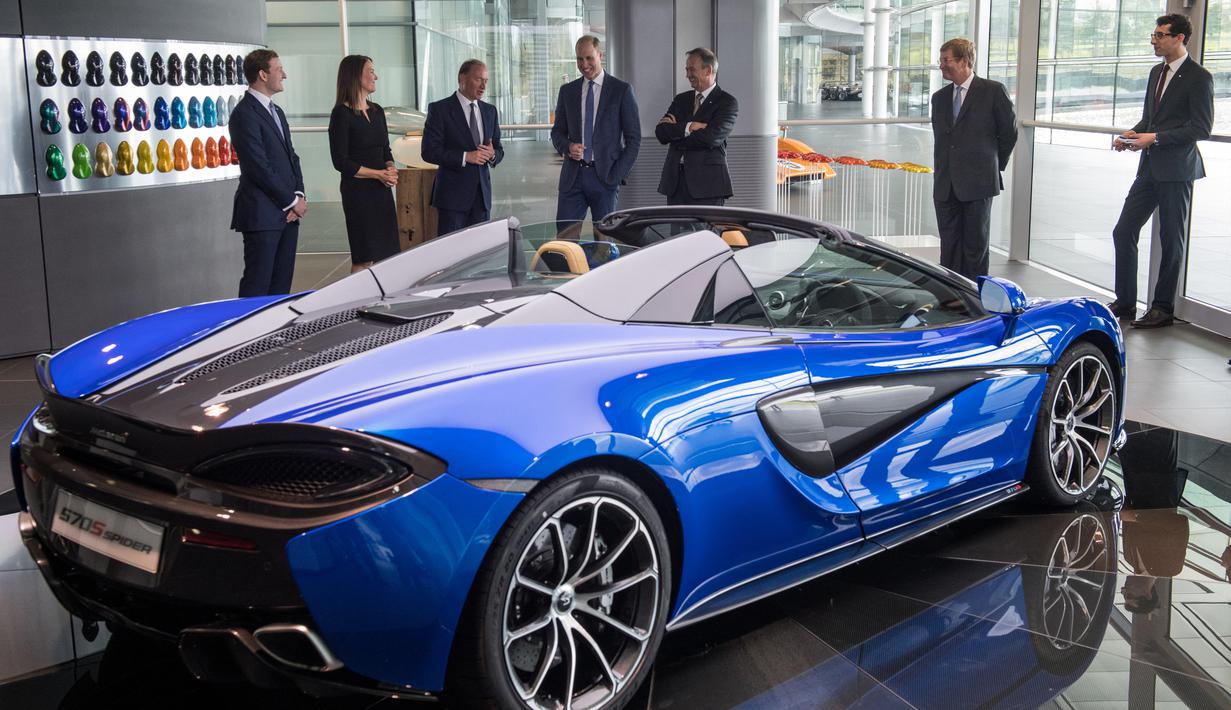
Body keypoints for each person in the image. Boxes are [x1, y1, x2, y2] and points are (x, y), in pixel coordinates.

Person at [1109, 13, 1214, 329]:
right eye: (1153, 35)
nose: (1154, 40)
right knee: (1123, 230)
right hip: (1150, 167)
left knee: (1172, 239)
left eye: (1159, 35)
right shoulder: (1157, 72)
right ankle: (1125, 303)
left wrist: (1154, 138)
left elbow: (1201, 127)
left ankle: (1163, 308)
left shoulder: (1199, 77)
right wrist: (1131, 135)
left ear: (1179, 37)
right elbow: (1150, 121)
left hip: (1177, 169)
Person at [930, 37, 1017, 282]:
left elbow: (1009, 133)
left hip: (979, 182)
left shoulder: (992, 91)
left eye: (946, 60)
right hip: (946, 184)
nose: (942, 66)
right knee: (949, 245)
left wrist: (991, 166)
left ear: (965, 61)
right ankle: (950, 297)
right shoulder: (939, 98)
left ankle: (975, 297)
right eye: (941, 60)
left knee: (975, 246)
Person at [229, 49, 305, 297]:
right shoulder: (244, 114)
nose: (285, 74)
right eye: (279, 69)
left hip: (287, 215)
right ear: (262, 74)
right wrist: (291, 201)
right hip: (262, 215)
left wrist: (298, 194)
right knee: (257, 287)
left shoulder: (277, 112)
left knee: (281, 289)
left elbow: (291, 157)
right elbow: (257, 166)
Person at [551, 35, 641, 225]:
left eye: (589, 58)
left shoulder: (621, 90)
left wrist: (616, 176)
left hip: (605, 178)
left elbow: (634, 140)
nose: (584, 64)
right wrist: (568, 147)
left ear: (600, 55)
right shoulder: (567, 91)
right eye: (579, 59)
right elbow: (557, 132)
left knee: (604, 243)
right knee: (565, 240)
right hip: (572, 178)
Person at [329, 54, 400, 273]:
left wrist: (390, 168)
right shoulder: (341, 114)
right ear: (355, 76)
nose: (375, 76)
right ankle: (355, 305)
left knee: (386, 255)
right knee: (364, 257)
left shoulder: (377, 110)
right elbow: (341, 162)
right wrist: (378, 174)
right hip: (358, 194)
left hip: (381, 191)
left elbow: (385, 148)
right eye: (370, 71)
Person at [421, 59, 504, 235]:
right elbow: (429, 151)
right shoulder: (439, 109)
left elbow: (498, 149)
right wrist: (466, 156)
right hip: (452, 198)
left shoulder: (490, 111)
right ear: (462, 79)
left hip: (482, 199)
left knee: (479, 253)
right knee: (452, 254)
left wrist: (492, 154)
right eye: (478, 79)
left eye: (486, 81)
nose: (483, 85)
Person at [655, 47, 738, 206]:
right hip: (675, 185)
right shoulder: (681, 100)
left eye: (691, 69)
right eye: (686, 70)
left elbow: (711, 138)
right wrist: (689, 127)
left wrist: (676, 132)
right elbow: (661, 133)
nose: (687, 75)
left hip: (708, 186)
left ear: (708, 70)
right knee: (678, 232)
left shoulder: (727, 102)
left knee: (706, 231)